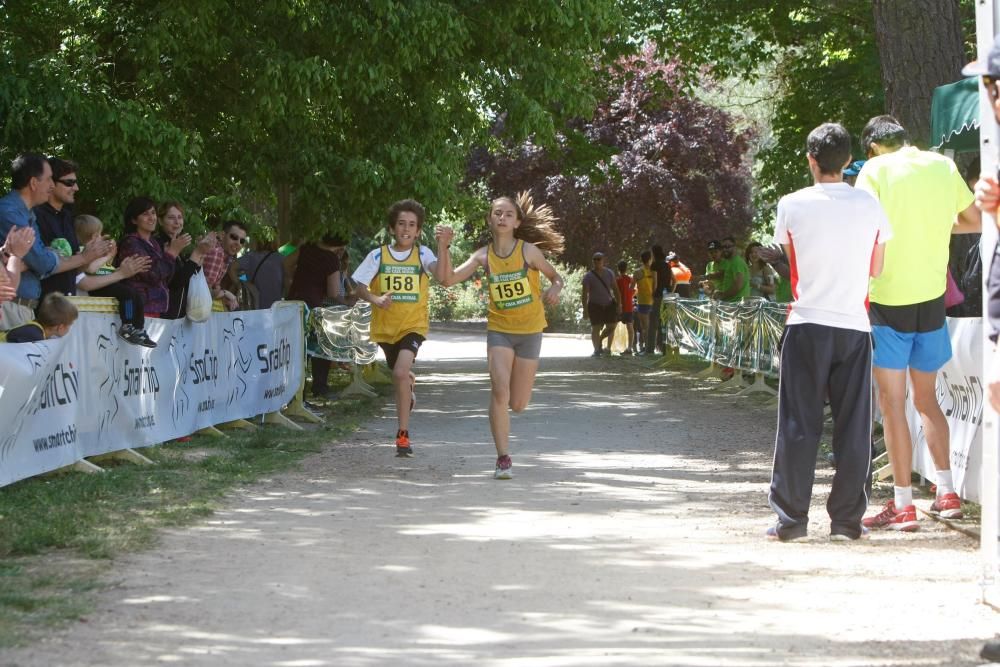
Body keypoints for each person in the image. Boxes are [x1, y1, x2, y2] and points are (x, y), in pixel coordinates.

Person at [766, 122, 892, 542]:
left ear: (811, 160)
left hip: (805, 322)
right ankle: (846, 521)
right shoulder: (870, 205)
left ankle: (791, 521)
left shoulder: (791, 204)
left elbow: (791, 256)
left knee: (799, 425)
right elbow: (877, 267)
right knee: (854, 426)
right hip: (854, 326)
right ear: (849, 161)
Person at [855, 115, 980, 531]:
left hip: (888, 299)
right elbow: (975, 219)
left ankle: (904, 502)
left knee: (892, 405)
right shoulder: (941, 166)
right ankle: (946, 493)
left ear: (872, 147)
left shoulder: (873, 171)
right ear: (905, 139)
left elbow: (861, 231)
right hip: (931, 299)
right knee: (928, 400)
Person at [437, 192, 565, 479]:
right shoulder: (483, 256)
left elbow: (556, 277)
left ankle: (504, 414)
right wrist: (443, 246)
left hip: (530, 330)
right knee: (499, 390)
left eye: (508, 214)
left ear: (517, 221)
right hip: (500, 331)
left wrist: (554, 289)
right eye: (497, 213)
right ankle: (503, 458)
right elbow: (447, 279)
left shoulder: (528, 251)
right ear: (489, 220)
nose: (502, 217)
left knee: (517, 404)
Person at [353, 200, 447, 457]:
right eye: (402, 224)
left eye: (412, 225)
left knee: (399, 373)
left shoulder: (423, 254)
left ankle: (402, 435)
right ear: (392, 228)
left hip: (413, 326)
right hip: (386, 329)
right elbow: (359, 287)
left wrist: (443, 245)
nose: (406, 229)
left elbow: (441, 275)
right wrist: (376, 299)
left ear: (418, 231)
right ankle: (408, 385)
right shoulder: (377, 255)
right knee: (400, 374)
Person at [0, 154, 111, 330]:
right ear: (34, 183)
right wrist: (45, 258)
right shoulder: (10, 212)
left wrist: (38, 259)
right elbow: (41, 261)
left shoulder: (29, 213)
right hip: (10, 308)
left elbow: (40, 259)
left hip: (25, 308)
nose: (51, 185)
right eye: (49, 179)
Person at [74, 215, 156, 347]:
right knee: (127, 294)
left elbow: (104, 270)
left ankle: (139, 328)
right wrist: (108, 257)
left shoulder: (95, 253)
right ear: (94, 236)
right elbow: (90, 268)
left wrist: (117, 267)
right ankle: (127, 325)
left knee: (136, 294)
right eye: (100, 235)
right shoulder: (83, 252)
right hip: (95, 286)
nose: (101, 238)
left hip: (104, 282)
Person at [287, 234, 348, 400]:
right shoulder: (331, 259)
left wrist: (294, 279)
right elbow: (333, 292)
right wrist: (348, 302)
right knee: (319, 347)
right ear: (340, 247)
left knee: (295, 349)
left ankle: (294, 393)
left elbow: (284, 264)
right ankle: (318, 388)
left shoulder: (305, 249)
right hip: (312, 307)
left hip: (292, 302)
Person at [117, 196, 186, 320]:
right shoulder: (131, 243)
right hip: (140, 308)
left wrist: (168, 256)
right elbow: (152, 275)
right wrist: (172, 254)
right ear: (133, 220)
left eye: (153, 213)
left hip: (157, 308)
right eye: (145, 214)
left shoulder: (154, 243)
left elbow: (167, 278)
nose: (151, 218)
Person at [155, 201, 213, 319]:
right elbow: (174, 283)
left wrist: (199, 258)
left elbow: (186, 279)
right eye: (171, 218)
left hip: (178, 320)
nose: (177, 222)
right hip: (161, 319)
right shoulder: (157, 245)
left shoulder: (180, 247)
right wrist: (197, 253)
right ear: (160, 221)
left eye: (180, 217)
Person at [35, 158, 81, 298]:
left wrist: (97, 254)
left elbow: (76, 263)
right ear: (50, 183)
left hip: (65, 302)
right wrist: (85, 257)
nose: (76, 188)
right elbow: (40, 264)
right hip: (40, 304)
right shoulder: (35, 215)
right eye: (69, 183)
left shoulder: (67, 216)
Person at [202, 220, 248, 311]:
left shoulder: (225, 256)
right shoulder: (217, 253)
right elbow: (206, 292)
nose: (238, 243)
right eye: (234, 237)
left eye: (242, 241)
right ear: (222, 235)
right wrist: (226, 293)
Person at [583, 252, 620, 356]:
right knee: (596, 327)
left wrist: (619, 304)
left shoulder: (609, 273)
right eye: (594, 259)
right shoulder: (588, 276)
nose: (596, 261)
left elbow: (616, 289)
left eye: (599, 259)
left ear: (604, 260)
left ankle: (600, 340)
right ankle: (596, 350)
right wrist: (585, 310)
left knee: (612, 326)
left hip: (609, 304)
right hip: (594, 305)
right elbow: (584, 294)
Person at [4, 292, 78, 342]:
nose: (70, 327)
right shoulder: (34, 335)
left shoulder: (37, 330)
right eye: (70, 324)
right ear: (60, 327)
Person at [238, 237, 285, 309]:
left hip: (256, 308)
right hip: (276, 309)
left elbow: (232, 269)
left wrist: (244, 282)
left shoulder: (251, 257)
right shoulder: (282, 259)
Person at [709, 236, 750, 302]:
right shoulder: (730, 262)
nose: (725, 249)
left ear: (735, 247)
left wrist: (722, 295)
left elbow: (738, 285)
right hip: (731, 303)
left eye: (728, 247)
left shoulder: (737, 262)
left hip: (737, 304)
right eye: (723, 247)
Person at [632, 250, 656, 353]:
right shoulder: (654, 271)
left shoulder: (637, 272)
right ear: (650, 259)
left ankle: (647, 348)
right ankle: (652, 347)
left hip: (642, 302)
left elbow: (631, 287)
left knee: (645, 327)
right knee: (653, 326)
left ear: (641, 260)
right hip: (654, 301)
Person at [651, 245, 673, 352]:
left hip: (658, 295)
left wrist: (653, 293)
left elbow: (654, 282)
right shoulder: (667, 265)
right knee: (666, 321)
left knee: (655, 321)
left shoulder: (654, 265)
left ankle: (650, 348)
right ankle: (665, 347)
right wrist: (671, 291)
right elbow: (674, 280)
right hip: (668, 295)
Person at [615, 260, 636, 355]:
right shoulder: (630, 279)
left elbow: (615, 292)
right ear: (626, 268)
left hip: (620, 306)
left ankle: (608, 347)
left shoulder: (617, 280)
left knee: (612, 326)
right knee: (630, 328)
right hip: (628, 306)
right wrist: (630, 295)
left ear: (618, 269)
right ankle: (629, 348)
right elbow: (635, 290)